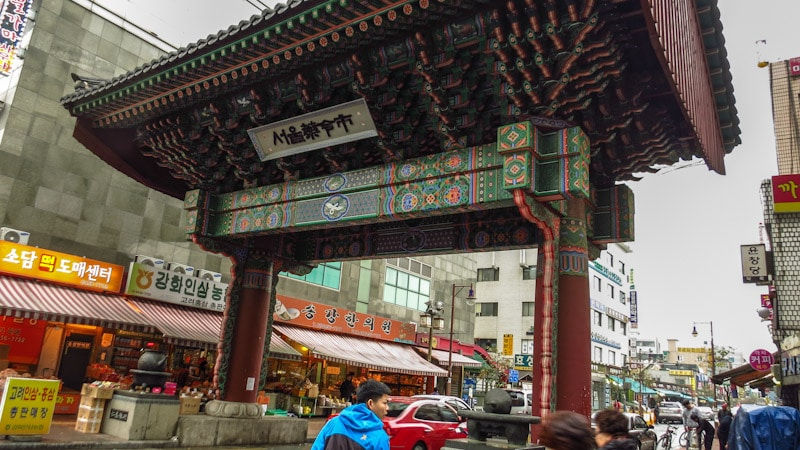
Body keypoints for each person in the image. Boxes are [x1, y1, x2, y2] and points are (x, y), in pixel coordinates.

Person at [312, 379, 392, 450]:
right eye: (385, 403)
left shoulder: (333, 423)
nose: (387, 408)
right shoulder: (380, 438)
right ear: (370, 403)